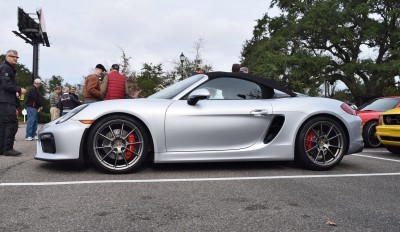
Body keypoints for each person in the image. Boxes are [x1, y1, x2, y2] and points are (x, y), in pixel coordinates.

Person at [0, 50, 26, 156]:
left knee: (3, 125)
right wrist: (20, 89)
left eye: (17, 57)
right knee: (12, 124)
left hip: (4, 100)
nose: (15, 58)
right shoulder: (6, 68)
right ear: (7, 57)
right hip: (6, 101)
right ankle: (8, 149)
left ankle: (2, 148)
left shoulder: (7, 68)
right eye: (13, 56)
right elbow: (6, 85)